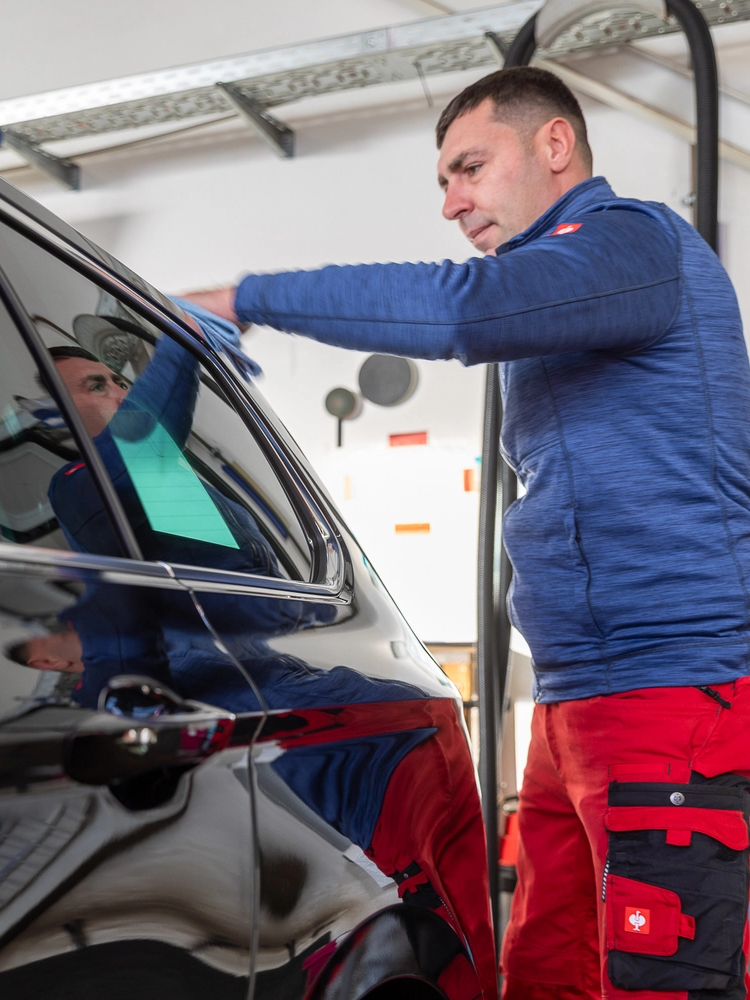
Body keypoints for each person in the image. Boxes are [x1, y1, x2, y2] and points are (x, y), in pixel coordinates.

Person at [184, 66, 750, 1000]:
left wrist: (246, 297)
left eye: (469, 168)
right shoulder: (563, 296)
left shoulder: (634, 244)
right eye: (444, 182)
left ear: (554, 146)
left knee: (662, 982)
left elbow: (460, 308)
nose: (452, 203)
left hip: (670, 698)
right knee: (540, 977)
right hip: (575, 702)